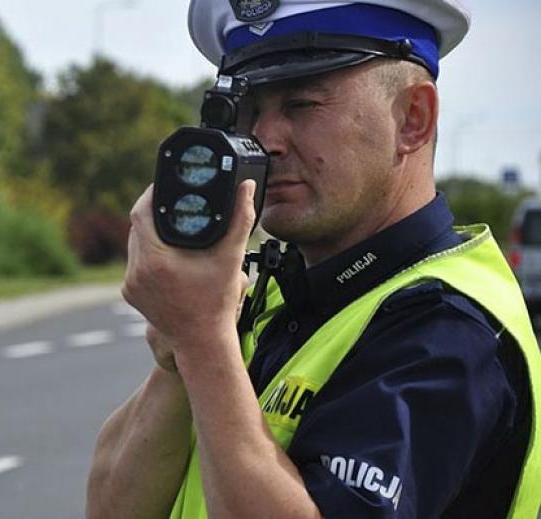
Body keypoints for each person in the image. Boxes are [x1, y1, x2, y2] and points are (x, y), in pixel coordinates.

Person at [85, 1, 541, 518]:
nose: (267, 138)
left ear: (413, 119)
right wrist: (180, 352)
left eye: (302, 104)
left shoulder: (449, 331)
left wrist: (201, 342)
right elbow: (112, 508)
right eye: (253, 110)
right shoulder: (283, 289)